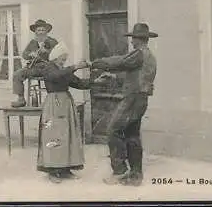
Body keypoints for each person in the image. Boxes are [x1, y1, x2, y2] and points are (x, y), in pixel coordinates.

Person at [91, 23, 158, 187]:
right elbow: (135, 75)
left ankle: (119, 171)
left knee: (113, 130)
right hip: (141, 98)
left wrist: (95, 63)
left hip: (132, 99)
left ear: (138, 39)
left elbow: (120, 62)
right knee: (132, 134)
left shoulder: (138, 54)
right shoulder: (149, 56)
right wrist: (114, 78)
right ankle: (135, 175)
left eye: (133, 39)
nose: (132, 42)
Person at [35, 42, 93, 183]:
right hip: (54, 104)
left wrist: (97, 81)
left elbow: (79, 83)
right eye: (62, 57)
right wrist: (75, 67)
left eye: (65, 57)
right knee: (54, 136)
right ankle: (53, 171)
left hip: (66, 103)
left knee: (68, 135)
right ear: (55, 57)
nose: (64, 60)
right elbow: (55, 76)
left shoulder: (63, 69)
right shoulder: (48, 67)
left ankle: (66, 169)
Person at [12, 19, 58, 107]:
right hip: (34, 68)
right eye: (38, 30)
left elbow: (59, 55)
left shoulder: (53, 42)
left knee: (55, 77)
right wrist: (31, 54)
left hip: (48, 68)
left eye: (43, 30)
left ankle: (53, 101)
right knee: (17, 74)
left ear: (47, 31)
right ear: (35, 32)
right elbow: (24, 54)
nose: (41, 32)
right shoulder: (32, 42)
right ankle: (21, 99)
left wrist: (47, 52)